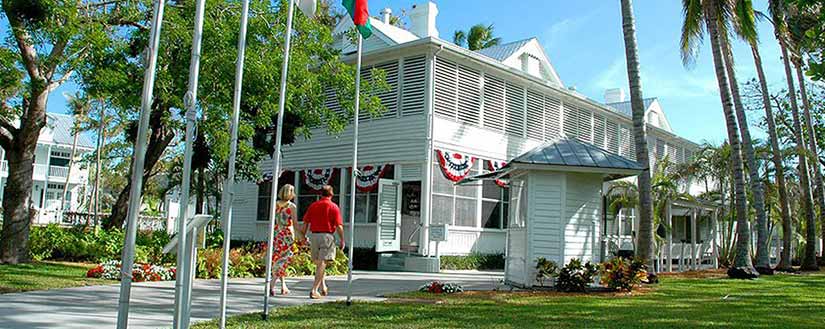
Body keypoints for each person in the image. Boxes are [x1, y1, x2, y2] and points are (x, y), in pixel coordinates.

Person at [300, 185, 345, 299]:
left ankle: (323, 287)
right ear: (332, 194)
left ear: (321, 194)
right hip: (327, 236)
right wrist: (342, 239)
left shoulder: (313, 206)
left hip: (314, 235)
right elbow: (339, 226)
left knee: (319, 263)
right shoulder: (333, 207)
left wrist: (303, 236)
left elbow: (305, 223)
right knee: (322, 263)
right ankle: (314, 290)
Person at [270, 184, 298, 296]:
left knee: (278, 258)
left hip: (277, 234)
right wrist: (302, 235)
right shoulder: (291, 207)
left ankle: (283, 286)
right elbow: (295, 224)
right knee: (283, 260)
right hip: (287, 235)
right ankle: (271, 285)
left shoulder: (275, 204)